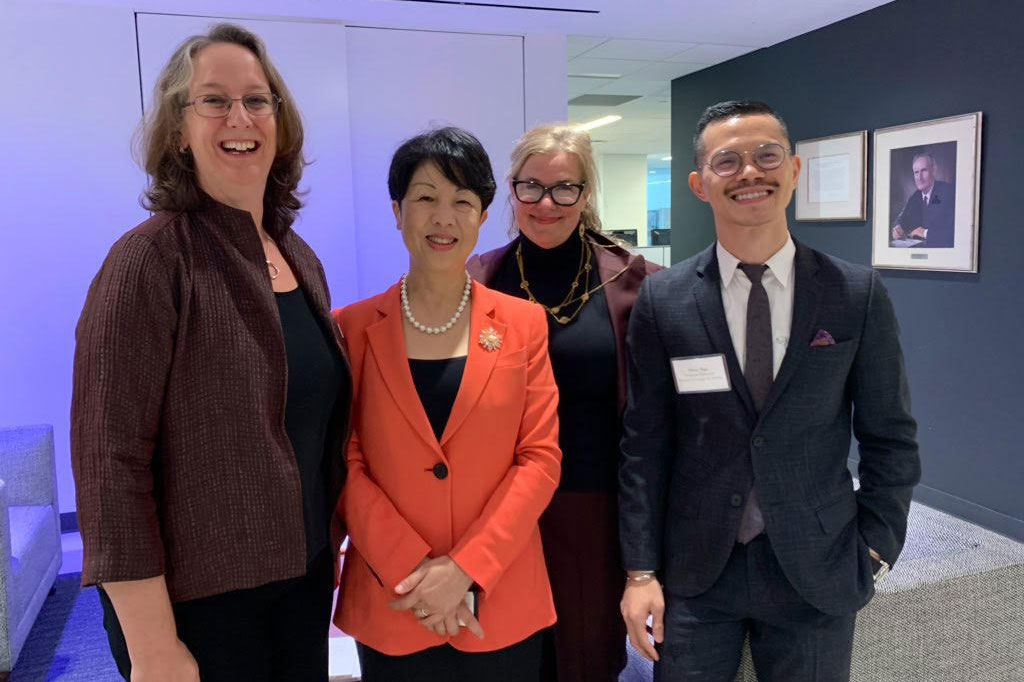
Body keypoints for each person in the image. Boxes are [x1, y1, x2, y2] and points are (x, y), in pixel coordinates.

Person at [71, 24, 350, 682]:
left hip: (302, 583)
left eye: (258, 100)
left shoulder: (297, 256)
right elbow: (109, 467)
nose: (240, 118)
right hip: (199, 608)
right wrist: (152, 646)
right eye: (214, 100)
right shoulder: (149, 260)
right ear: (177, 128)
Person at [619, 100, 921, 682]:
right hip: (696, 566)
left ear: (795, 170)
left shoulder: (855, 293)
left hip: (818, 561)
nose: (750, 173)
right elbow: (643, 446)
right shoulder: (664, 300)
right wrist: (639, 571)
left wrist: (877, 547)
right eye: (726, 161)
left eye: (767, 156)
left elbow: (890, 435)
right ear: (699, 184)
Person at [333, 127, 561, 682]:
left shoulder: (523, 324)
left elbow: (539, 458)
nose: (444, 217)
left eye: (463, 202)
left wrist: (465, 568)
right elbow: (344, 462)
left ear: (483, 216)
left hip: (500, 593)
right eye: (426, 198)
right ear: (397, 211)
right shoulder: (353, 328)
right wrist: (416, 573)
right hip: (394, 595)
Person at [467, 123, 659, 682]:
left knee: (587, 653)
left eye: (564, 189)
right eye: (532, 187)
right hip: (499, 510)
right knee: (509, 653)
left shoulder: (633, 282)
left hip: (592, 505)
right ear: (511, 190)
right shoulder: (480, 278)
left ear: (585, 194)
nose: (546, 203)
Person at [891, 152, 956, 248]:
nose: (919, 177)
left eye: (924, 170)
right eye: (916, 172)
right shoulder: (914, 197)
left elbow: (955, 232)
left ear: (933, 171)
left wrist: (925, 233)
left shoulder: (949, 192)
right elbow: (901, 220)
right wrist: (897, 229)